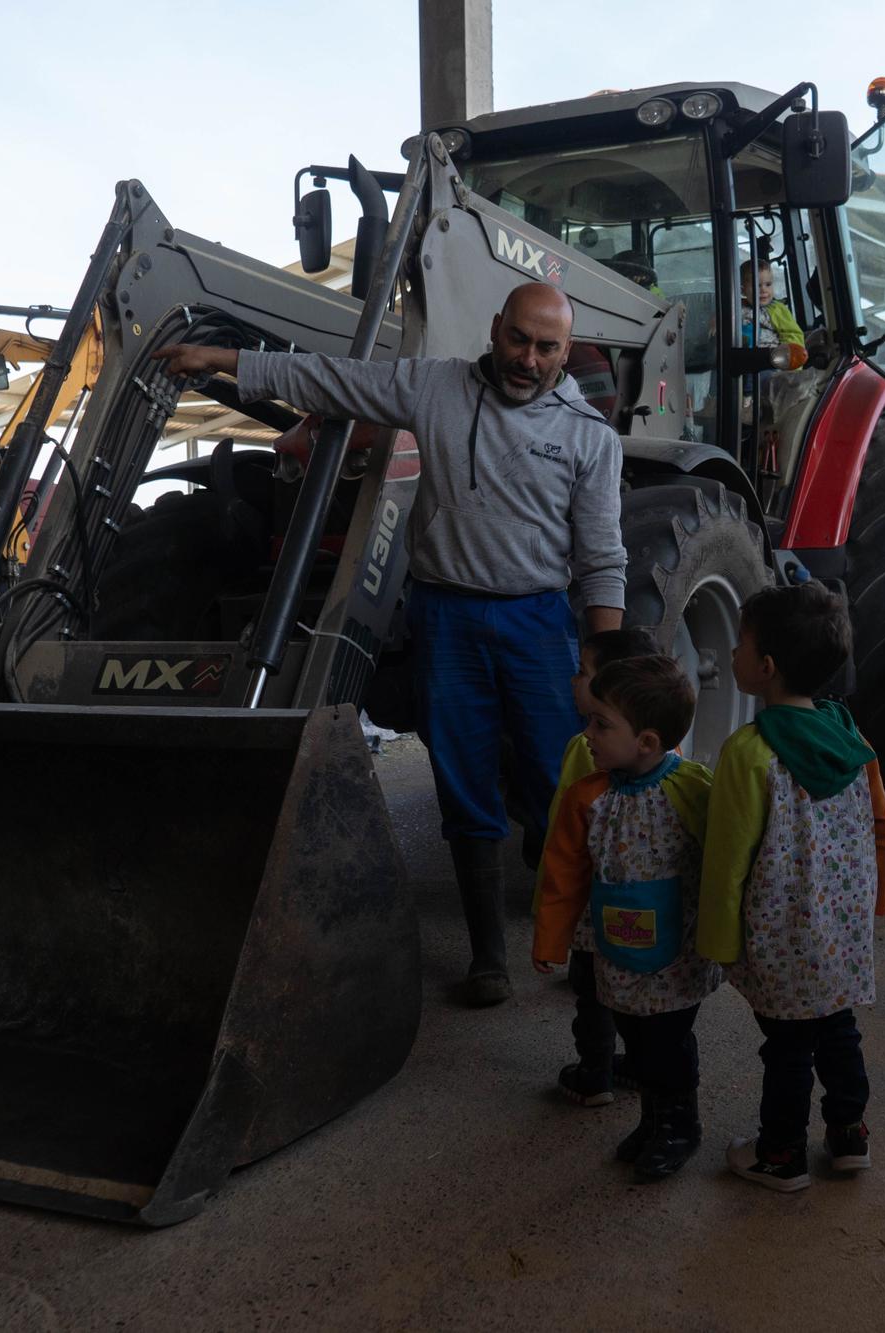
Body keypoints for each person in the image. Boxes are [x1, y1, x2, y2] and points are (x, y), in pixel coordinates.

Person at [154, 283, 629, 1006]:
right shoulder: (434, 387)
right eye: (518, 340)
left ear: (566, 351)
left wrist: (612, 667)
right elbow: (327, 377)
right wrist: (220, 358)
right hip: (446, 617)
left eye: (546, 348)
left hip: (537, 622)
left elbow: (602, 559)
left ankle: (582, 943)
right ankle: (488, 958)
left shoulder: (588, 436)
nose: (527, 359)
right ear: (496, 327)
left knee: (559, 779)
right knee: (463, 776)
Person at [699, 584, 885, 1193]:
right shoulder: (847, 733)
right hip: (841, 930)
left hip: (783, 934)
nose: (731, 653)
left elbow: (727, 859)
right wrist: (873, 907)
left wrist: (716, 941)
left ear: (766, 668)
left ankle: (781, 1153)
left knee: (786, 1048)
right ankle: (848, 1135)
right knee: (838, 1031)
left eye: (740, 643)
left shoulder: (750, 751)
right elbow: (883, 825)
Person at [533, 655, 717, 1181]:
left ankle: (680, 1125)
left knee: (668, 1042)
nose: (586, 733)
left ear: (648, 742)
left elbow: (726, 861)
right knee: (636, 1040)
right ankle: (654, 1119)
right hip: (615, 952)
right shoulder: (588, 797)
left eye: (600, 724)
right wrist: (551, 940)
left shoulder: (692, 790)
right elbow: (562, 873)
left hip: (676, 957)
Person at [536, 626, 664, 1106]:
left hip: (592, 908)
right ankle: (633, 1063)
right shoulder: (667, 757)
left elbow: (560, 839)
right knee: (635, 989)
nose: (574, 681)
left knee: (592, 994)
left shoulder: (582, 751)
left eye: (583, 672)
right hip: (645, 909)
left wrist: (551, 918)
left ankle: (595, 1073)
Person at [740, 261, 804, 349]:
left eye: (768, 284)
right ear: (742, 290)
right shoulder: (737, 307)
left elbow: (792, 334)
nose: (763, 290)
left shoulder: (777, 309)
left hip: (772, 357)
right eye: (757, 286)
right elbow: (724, 318)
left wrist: (789, 354)